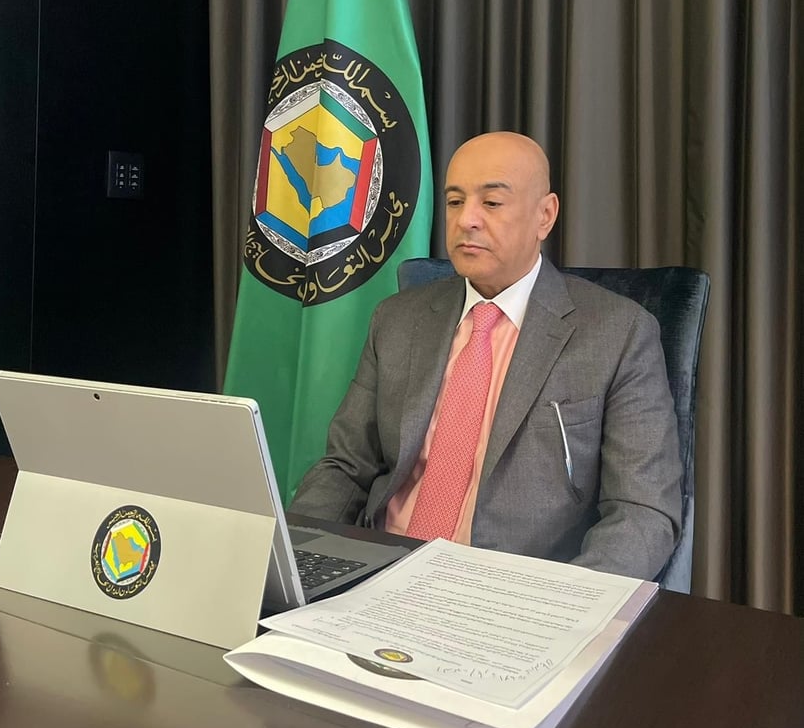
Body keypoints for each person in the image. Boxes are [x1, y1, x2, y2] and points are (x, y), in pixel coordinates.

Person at [290, 131, 682, 580]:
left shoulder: (617, 333)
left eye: (491, 203)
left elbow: (642, 512)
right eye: (455, 202)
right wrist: (296, 554)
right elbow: (346, 466)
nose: (467, 220)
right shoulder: (398, 319)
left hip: (513, 589)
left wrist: (566, 603)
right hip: (379, 569)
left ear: (545, 215)